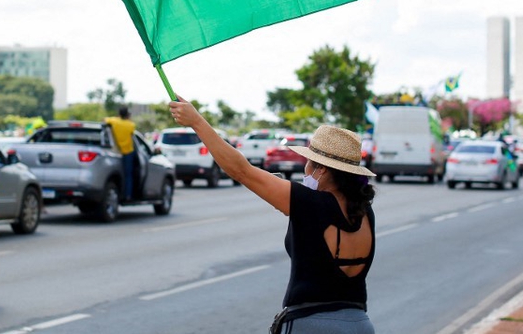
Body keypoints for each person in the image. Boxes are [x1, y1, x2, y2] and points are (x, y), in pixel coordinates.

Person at [170, 96, 376, 334]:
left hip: (312, 326)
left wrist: (197, 121)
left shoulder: (309, 202)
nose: (305, 170)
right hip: (361, 325)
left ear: (322, 169)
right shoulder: (364, 211)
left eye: (309, 163)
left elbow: (241, 170)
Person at [105, 106, 136, 201]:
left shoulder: (114, 121)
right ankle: (128, 195)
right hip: (128, 152)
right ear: (127, 114)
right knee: (128, 175)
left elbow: (105, 120)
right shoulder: (130, 125)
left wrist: (117, 118)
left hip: (116, 152)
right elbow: (132, 134)